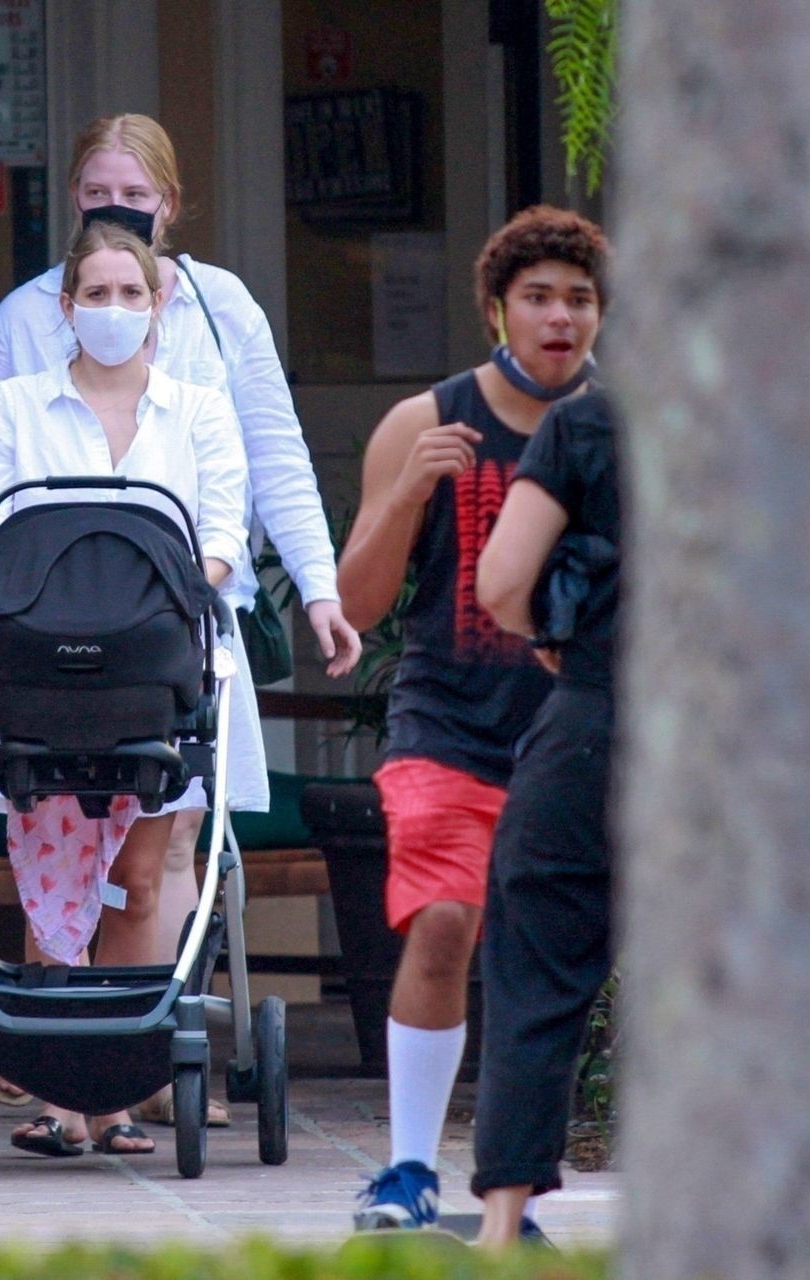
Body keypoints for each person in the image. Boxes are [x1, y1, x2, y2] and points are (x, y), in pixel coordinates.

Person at [0, 114, 361, 1128]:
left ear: (170, 205)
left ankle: (141, 1066)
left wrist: (318, 585)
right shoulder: (28, 319)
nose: (117, 211)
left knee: (164, 853)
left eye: (135, 196)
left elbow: (272, 457)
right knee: (53, 829)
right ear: (72, 203)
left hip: (175, 635)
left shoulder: (220, 309)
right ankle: (61, 1071)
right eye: (98, 195)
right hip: (43, 637)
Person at [0, 220, 248, 1158]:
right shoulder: (18, 406)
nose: (113, 309)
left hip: (157, 677)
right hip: (40, 678)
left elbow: (223, 532)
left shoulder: (197, 409)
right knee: (55, 880)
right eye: (96, 293)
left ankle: (115, 1092)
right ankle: (57, 1097)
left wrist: (157, 600)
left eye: (130, 293)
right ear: (67, 306)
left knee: (138, 879)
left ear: (157, 305)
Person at [337, 206, 609, 1230]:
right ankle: (409, 1170)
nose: (559, 317)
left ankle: (511, 1194)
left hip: (579, 734)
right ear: (497, 307)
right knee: (446, 920)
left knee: (544, 964)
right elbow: (357, 604)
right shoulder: (428, 421)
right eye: (538, 297)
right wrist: (406, 494)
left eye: (579, 299)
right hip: (448, 724)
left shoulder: (620, 430)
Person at [471, 387, 621, 1248]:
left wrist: (559, 636)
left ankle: (504, 1229)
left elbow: (500, 582)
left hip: (596, 723)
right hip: (751, 740)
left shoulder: (591, 423)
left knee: (535, 979)